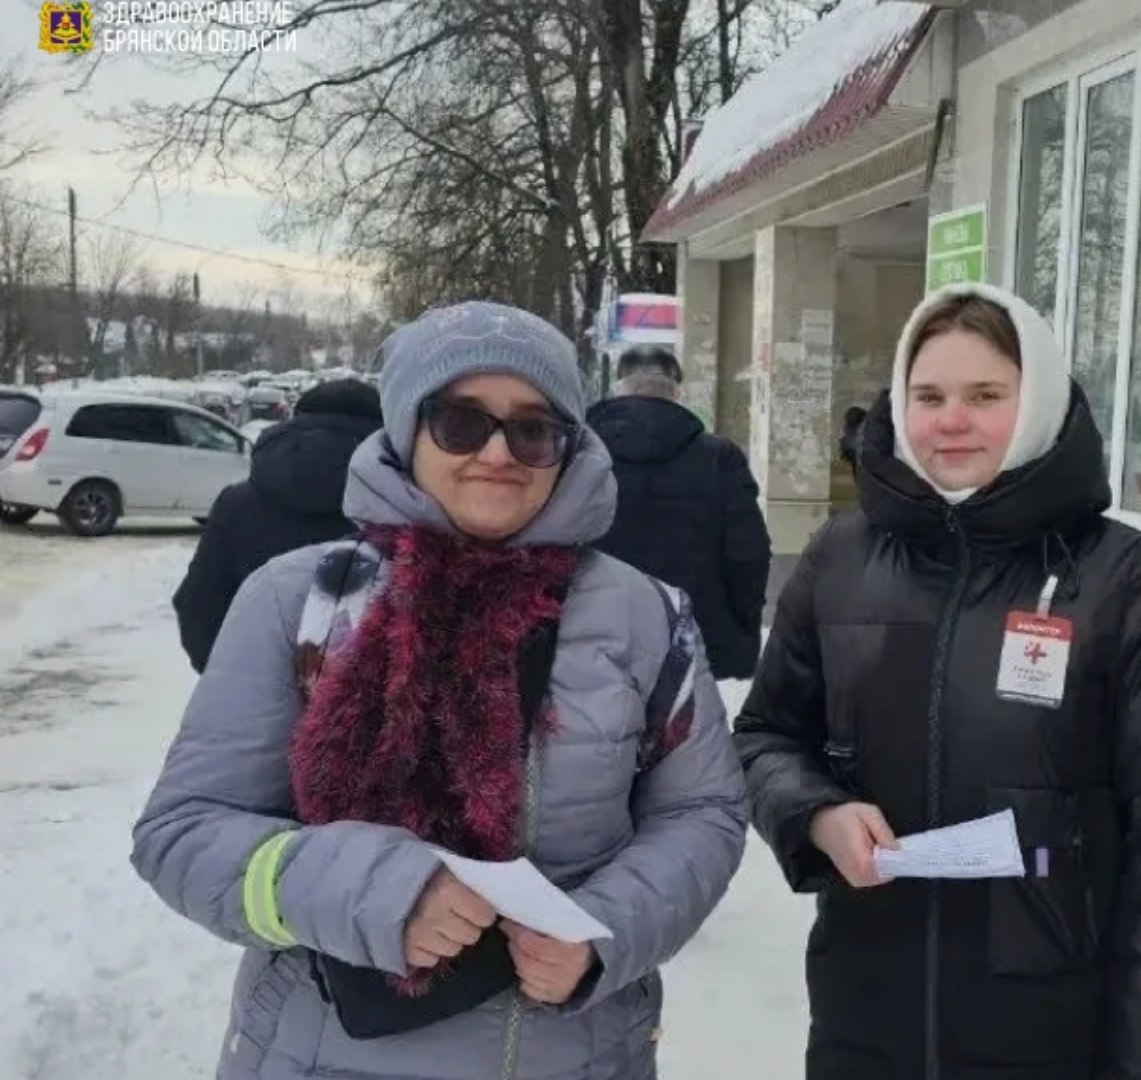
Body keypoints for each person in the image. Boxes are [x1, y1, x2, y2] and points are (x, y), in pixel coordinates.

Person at [131, 301, 748, 1080]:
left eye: (533, 429)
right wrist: (370, 888)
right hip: (323, 1057)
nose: (498, 452)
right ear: (407, 429)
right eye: (462, 422)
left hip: (582, 1055)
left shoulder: (646, 615)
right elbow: (183, 833)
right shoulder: (302, 602)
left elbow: (701, 811)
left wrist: (606, 931)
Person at [734, 282, 1141, 1080]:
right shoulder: (841, 559)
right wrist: (816, 813)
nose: (951, 420)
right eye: (929, 396)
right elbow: (763, 737)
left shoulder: (1123, 580)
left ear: (1038, 404)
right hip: (867, 1017)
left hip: (1053, 1033)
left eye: (985, 396)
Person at [172, 378, 383, 673]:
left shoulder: (238, 504)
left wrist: (236, 680)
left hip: (253, 687)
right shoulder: (407, 506)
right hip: (376, 696)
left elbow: (198, 607)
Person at [586, 345, 771, 680]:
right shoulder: (719, 457)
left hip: (594, 633)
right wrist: (741, 631)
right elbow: (748, 554)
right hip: (696, 638)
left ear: (619, 388)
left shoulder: (583, 455)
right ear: (676, 391)